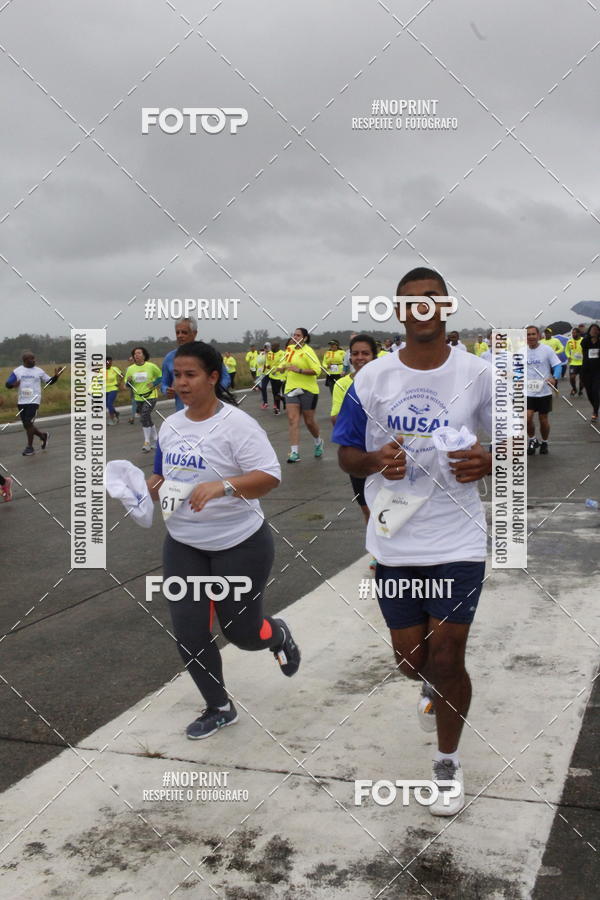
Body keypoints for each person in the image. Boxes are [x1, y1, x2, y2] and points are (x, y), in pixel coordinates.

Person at [332, 266, 493, 817]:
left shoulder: (478, 373)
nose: (422, 307)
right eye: (410, 301)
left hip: (458, 538)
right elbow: (346, 454)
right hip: (395, 538)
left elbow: (511, 442)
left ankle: (447, 761)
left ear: (447, 306)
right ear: (397, 311)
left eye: (432, 298)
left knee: (448, 657)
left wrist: (489, 459)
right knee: (411, 660)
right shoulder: (371, 378)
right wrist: (374, 460)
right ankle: (430, 686)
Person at [147, 341, 300, 739]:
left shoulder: (237, 425)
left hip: (240, 544)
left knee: (242, 633)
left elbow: (269, 476)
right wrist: (146, 488)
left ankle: (277, 633)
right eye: (177, 375)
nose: (181, 383)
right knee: (189, 633)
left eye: (190, 375)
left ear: (213, 377)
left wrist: (223, 486)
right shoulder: (171, 425)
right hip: (184, 544)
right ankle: (219, 707)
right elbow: (163, 477)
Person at [330, 333, 377, 569]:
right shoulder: (342, 384)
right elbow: (335, 418)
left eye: (365, 353)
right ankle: (376, 551)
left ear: (374, 356)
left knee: (388, 503)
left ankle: (391, 551)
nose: (360, 358)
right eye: (356, 353)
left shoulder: (385, 382)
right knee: (367, 507)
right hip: (357, 454)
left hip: (383, 452)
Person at [162, 317, 230, 412]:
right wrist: (167, 390)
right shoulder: (169, 358)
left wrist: (210, 391)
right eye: (177, 332)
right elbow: (164, 383)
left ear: (194, 333)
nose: (180, 335)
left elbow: (225, 378)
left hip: (210, 410)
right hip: (183, 412)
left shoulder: (209, 354)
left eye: (184, 332)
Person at [5, 351, 63, 456]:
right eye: (31, 359)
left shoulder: (39, 371)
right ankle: (43, 436)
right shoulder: (17, 371)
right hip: (22, 401)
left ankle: (30, 448)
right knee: (27, 425)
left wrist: (56, 377)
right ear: (25, 360)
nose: (34, 360)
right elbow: (8, 384)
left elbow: (49, 382)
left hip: (34, 400)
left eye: (34, 358)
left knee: (28, 422)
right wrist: (13, 384)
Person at [282, 328, 323, 463]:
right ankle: (294, 453)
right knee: (292, 419)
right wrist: (281, 367)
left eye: (298, 335)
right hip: (291, 388)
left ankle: (318, 441)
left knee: (309, 421)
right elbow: (285, 363)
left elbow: (317, 370)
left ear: (305, 338)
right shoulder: (290, 349)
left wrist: (299, 370)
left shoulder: (308, 351)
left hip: (308, 389)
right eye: (294, 335)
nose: (295, 337)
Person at [526, 326, 562, 454]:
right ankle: (533, 440)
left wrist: (554, 378)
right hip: (527, 392)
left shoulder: (547, 350)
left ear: (538, 335)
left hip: (544, 391)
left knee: (543, 420)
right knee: (526, 418)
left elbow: (557, 365)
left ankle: (544, 442)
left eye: (533, 334)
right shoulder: (520, 351)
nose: (531, 336)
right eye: (528, 334)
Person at [125, 347, 162, 453]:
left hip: (151, 396)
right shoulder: (130, 369)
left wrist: (154, 383)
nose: (136, 355)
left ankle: (147, 442)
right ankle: (156, 439)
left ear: (144, 355)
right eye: (135, 353)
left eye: (139, 353)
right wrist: (129, 381)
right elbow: (127, 385)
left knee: (144, 416)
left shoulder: (151, 366)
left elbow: (160, 376)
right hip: (138, 397)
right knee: (146, 417)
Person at [581, 323, 600, 422]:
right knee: (589, 393)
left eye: (596, 329)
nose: (594, 331)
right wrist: (589, 337)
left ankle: (595, 412)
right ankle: (595, 407)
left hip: (598, 371)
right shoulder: (585, 341)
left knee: (595, 391)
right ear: (589, 331)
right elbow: (582, 345)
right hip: (586, 371)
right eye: (592, 329)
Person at [565, 328, 583, 397]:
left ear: (579, 333)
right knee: (572, 377)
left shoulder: (583, 340)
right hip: (573, 363)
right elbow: (566, 350)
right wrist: (568, 356)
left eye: (575, 333)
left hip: (583, 363)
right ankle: (574, 389)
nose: (573, 334)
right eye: (572, 333)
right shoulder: (569, 341)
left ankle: (580, 390)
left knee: (582, 380)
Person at [269, 342, 286, 414]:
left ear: (278, 347)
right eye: (271, 346)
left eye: (273, 347)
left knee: (277, 393)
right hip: (272, 376)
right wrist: (267, 366)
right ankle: (282, 401)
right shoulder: (270, 353)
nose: (271, 348)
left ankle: (278, 408)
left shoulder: (282, 353)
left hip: (280, 377)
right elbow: (268, 362)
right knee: (274, 393)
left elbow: (283, 363)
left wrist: (276, 369)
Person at [105, 356, 123, 424]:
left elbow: (122, 375)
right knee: (107, 404)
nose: (109, 363)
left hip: (113, 388)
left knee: (109, 403)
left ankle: (112, 419)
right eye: (107, 362)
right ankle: (116, 413)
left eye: (110, 362)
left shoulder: (115, 369)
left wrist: (119, 383)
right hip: (104, 389)